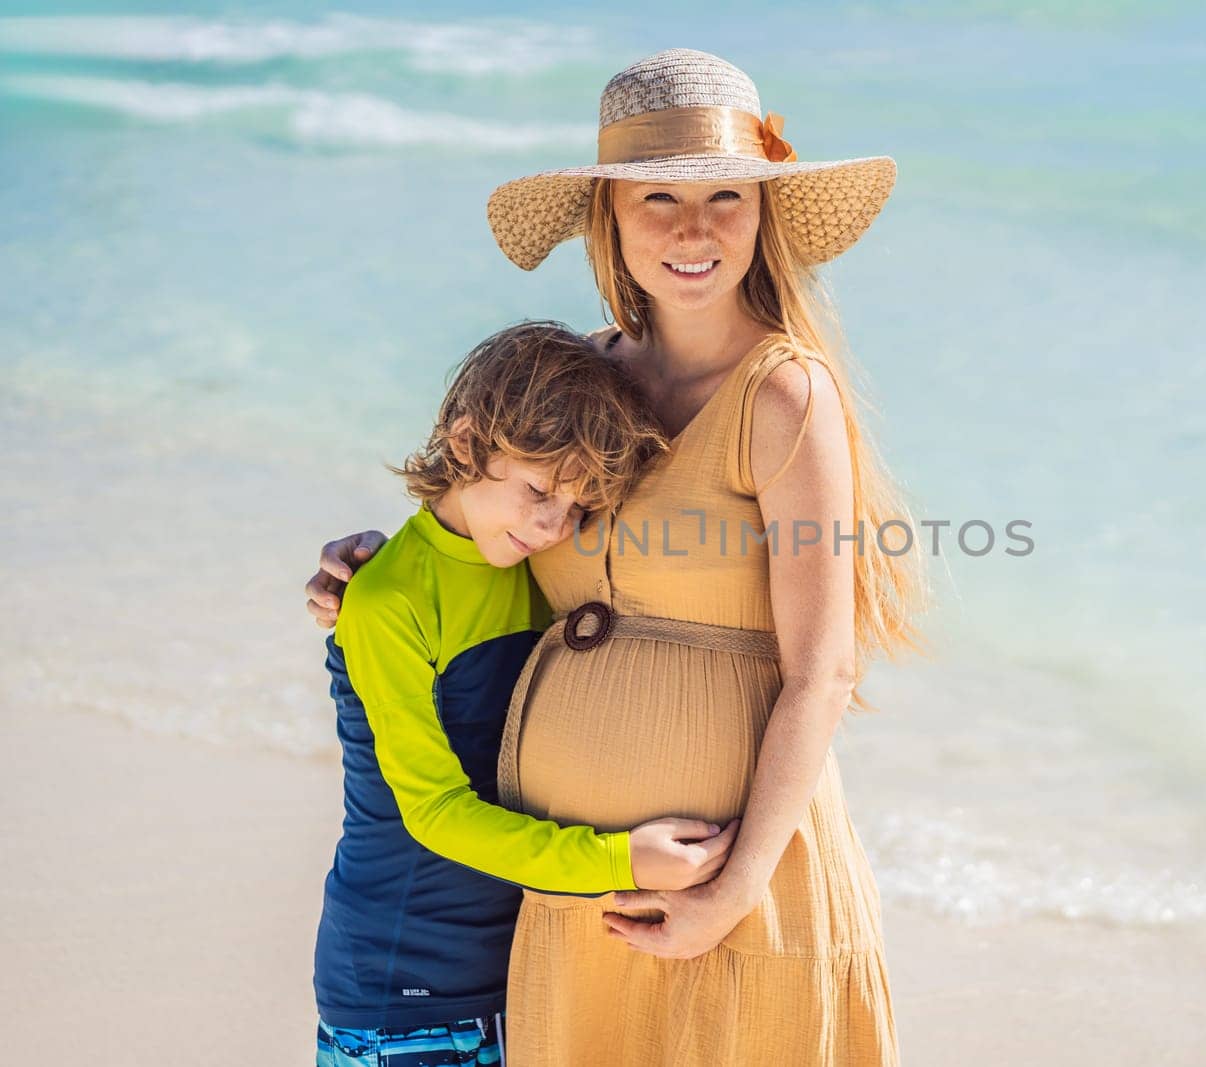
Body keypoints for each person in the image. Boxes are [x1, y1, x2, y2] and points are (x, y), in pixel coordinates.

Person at [306, 49, 924, 1065]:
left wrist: (729, 894)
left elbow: (824, 671)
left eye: (726, 194)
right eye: (656, 199)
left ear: (763, 214)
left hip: (733, 887)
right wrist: (371, 570)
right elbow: (487, 533)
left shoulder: (784, 395)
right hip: (575, 903)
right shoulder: (582, 380)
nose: (693, 229)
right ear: (609, 217)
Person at [311, 321, 741, 1067]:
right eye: (538, 490)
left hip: (508, 966)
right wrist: (620, 860)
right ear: (468, 441)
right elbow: (436, 813)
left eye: (576, 511)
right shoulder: (388, 601)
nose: (550, 527)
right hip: (402, 980)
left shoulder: (531, 570)